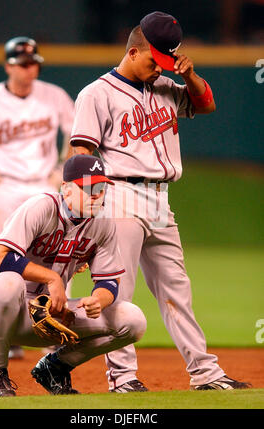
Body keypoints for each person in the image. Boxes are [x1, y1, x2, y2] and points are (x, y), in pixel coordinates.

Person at [70, 12, 252, 392]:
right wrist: (81, 216)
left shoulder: (167, 85)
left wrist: (187, 74)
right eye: (154, 61)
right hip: (117, 196)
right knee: (117, 290)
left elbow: (205, 105)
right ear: (133, 51)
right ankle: (122, 378)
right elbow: (82, 154)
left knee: (177, 291)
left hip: (159, 200)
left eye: (165, 62)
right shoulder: (97, 93)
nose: (159, 70)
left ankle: (206, 374)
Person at [0, 154, 146, 397]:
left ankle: (55, 367)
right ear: (67, 189)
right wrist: (51, 279)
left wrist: (99, 300)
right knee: (8, 282)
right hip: (5, 313)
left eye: (101, 187)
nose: (96, 194)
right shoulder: (41, 207)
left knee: (133, 320)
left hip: (53, 315)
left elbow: (108, 281)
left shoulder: (103, 224)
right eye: (88, 187)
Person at [0, 36, 75, 359]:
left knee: (56, 256)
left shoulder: (53, 95)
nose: (31, 69)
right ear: (8, 65)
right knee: (5, 260)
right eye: (24, 63)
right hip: (3, 186)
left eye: (34, 63)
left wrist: (61, 167)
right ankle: (6, 329)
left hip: (44, 183)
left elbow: (75, 132)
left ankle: (51, 324)